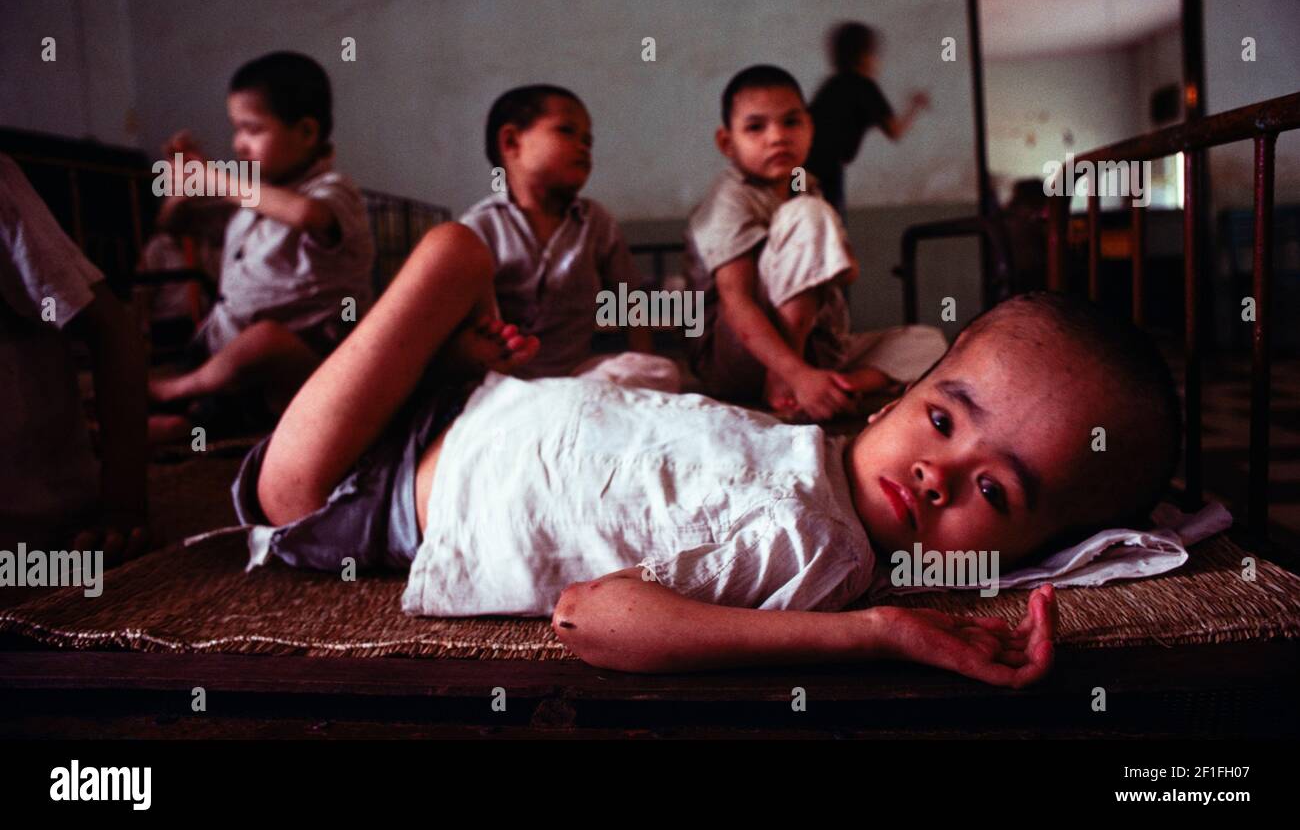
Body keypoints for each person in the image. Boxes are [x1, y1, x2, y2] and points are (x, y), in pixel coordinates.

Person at [231, 215, 1181, 688]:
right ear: (901, 392)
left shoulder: (820, 553)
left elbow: (588, 616)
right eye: (943, 419)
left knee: (448, 252)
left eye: (996, 492)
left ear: (1019, 558)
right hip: (474, 405)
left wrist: (876, 630)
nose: (939, 472)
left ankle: (222, 383)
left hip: (353, 491)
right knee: (484, 273)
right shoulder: (812, 457)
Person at [684, 64, 946, 421]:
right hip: (737, 357)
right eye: (755, 127)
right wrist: (793, 372)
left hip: (816, 346)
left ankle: (839, 385)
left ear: (811, 128)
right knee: (806, 212)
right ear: (727, 143)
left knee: (927, 343)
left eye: (791, 122)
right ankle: (787, 381)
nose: (777, 136)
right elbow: (736, 302)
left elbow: (847, 271)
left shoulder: (804, 183)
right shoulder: (730, 199)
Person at [148, 52, 375, 437]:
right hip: (219, 354)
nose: (239, 145)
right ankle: (192, 415)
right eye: (236, 130)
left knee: (266, 341)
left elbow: (306, 215)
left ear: (306, 132)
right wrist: (183, 187)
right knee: (214, 384)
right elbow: (171, 228)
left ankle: (176, 396)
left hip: (298, 371)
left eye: (253, 130)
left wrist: (218, 180)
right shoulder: (251, 201)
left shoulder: (335, 192)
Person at [460, 84, 677, 391]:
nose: (583, 146)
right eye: (566, 131)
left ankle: (563, 408)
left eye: (588, 140)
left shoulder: (595, 222)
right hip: (505, 383)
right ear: (511, 142)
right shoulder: (479, 228)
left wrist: (642, 365)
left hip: (576, 377)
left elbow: (630, 298)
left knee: (658, 371)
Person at [0, 154, 150, 564]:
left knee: (261, 343)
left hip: (32, 532)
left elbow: (112, 329)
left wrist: (123, 506)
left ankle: (182, 394)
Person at [805, 21, 930, 216]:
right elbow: (895, 131)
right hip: (825, 170)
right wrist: (915, 106)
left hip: (803, 168)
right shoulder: (865, 86)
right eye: (875, 54)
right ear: (865, 56)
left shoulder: (832, 85)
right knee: (832, 229)